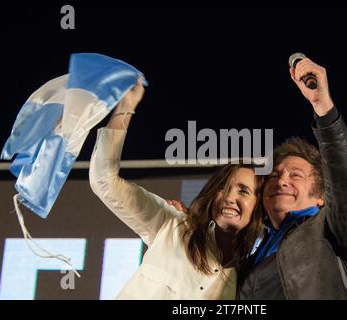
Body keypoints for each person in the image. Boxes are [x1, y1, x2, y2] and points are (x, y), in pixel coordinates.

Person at [89, 80, 264, 299]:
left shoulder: (247, 281)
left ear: (258, 206)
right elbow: (104, 180)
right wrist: (126, 106)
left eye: (244, 191)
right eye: (223, 187)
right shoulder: (173, 225)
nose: (229, 197)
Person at [236, 57, 347, 299]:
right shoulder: (249, 246)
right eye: (274, 175)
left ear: (321, 196)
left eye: (295, 175)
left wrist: (323, 108)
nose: (281, 181)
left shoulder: (330, 232)